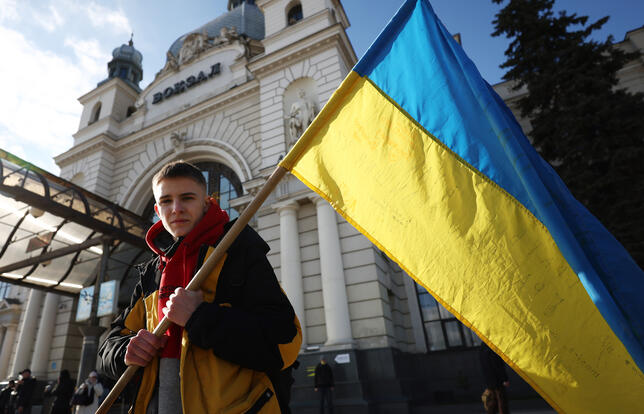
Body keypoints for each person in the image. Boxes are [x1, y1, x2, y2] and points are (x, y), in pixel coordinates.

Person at [98, 160, 302, 413]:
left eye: (187, 198)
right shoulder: (153, 271)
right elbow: (107, 345)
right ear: (156, 209)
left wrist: (200, 318)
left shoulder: (239, 252)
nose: (176, 209)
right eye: (166, 201)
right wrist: (124, 351)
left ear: (206, 202)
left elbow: (284, 342)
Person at [479, 344, 510, 414]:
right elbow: (498, 365)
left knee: (492, 402)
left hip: (489, 380)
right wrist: (504, 378)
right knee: (501, 402)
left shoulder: (482, 348)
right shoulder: (492, 348)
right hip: (498, 380)